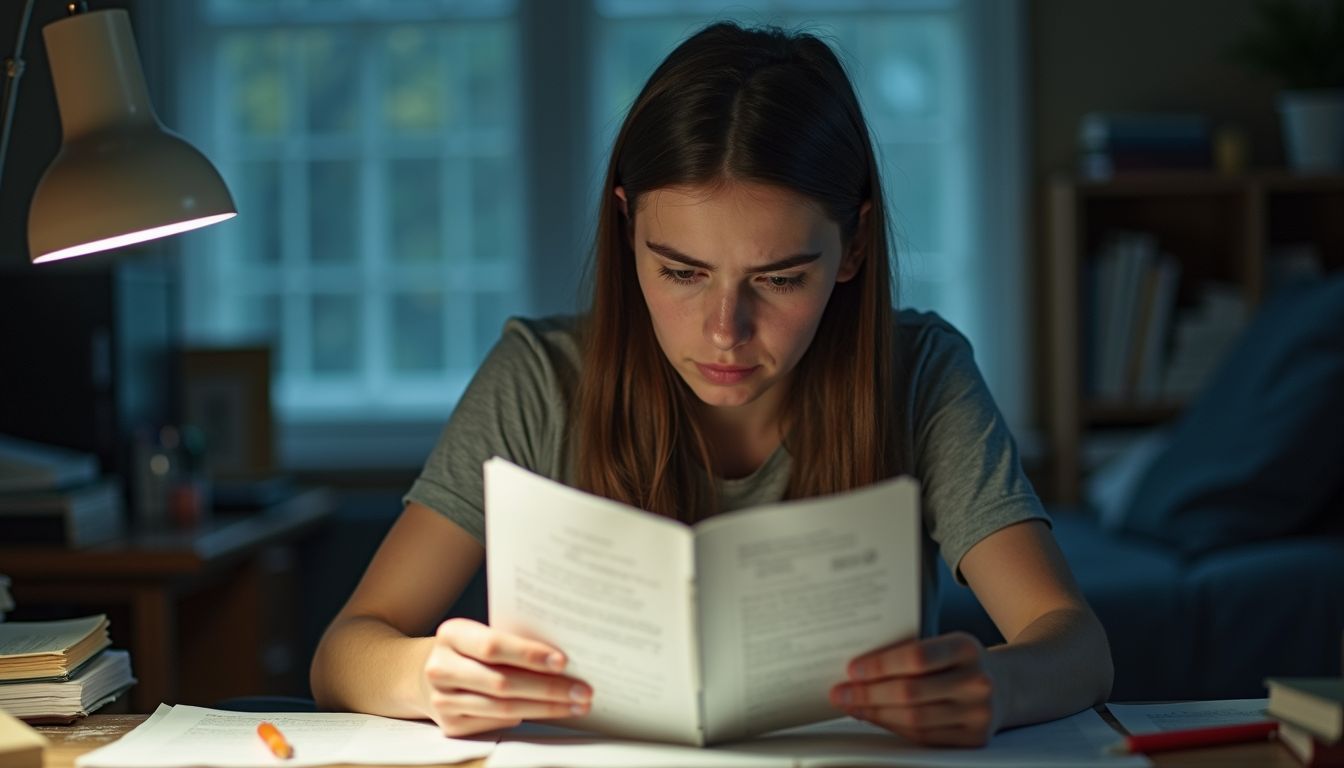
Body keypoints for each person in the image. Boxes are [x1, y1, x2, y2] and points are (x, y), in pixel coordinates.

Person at [310, 20, 1112, 747]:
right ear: (628, 231)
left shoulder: (921, 374)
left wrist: (997, 685)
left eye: (782, 278)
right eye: (682, 272)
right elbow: (346, 650)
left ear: (855, 247)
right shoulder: (540, 378)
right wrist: (429, 674)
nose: (725, 329)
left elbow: (1074, 641)